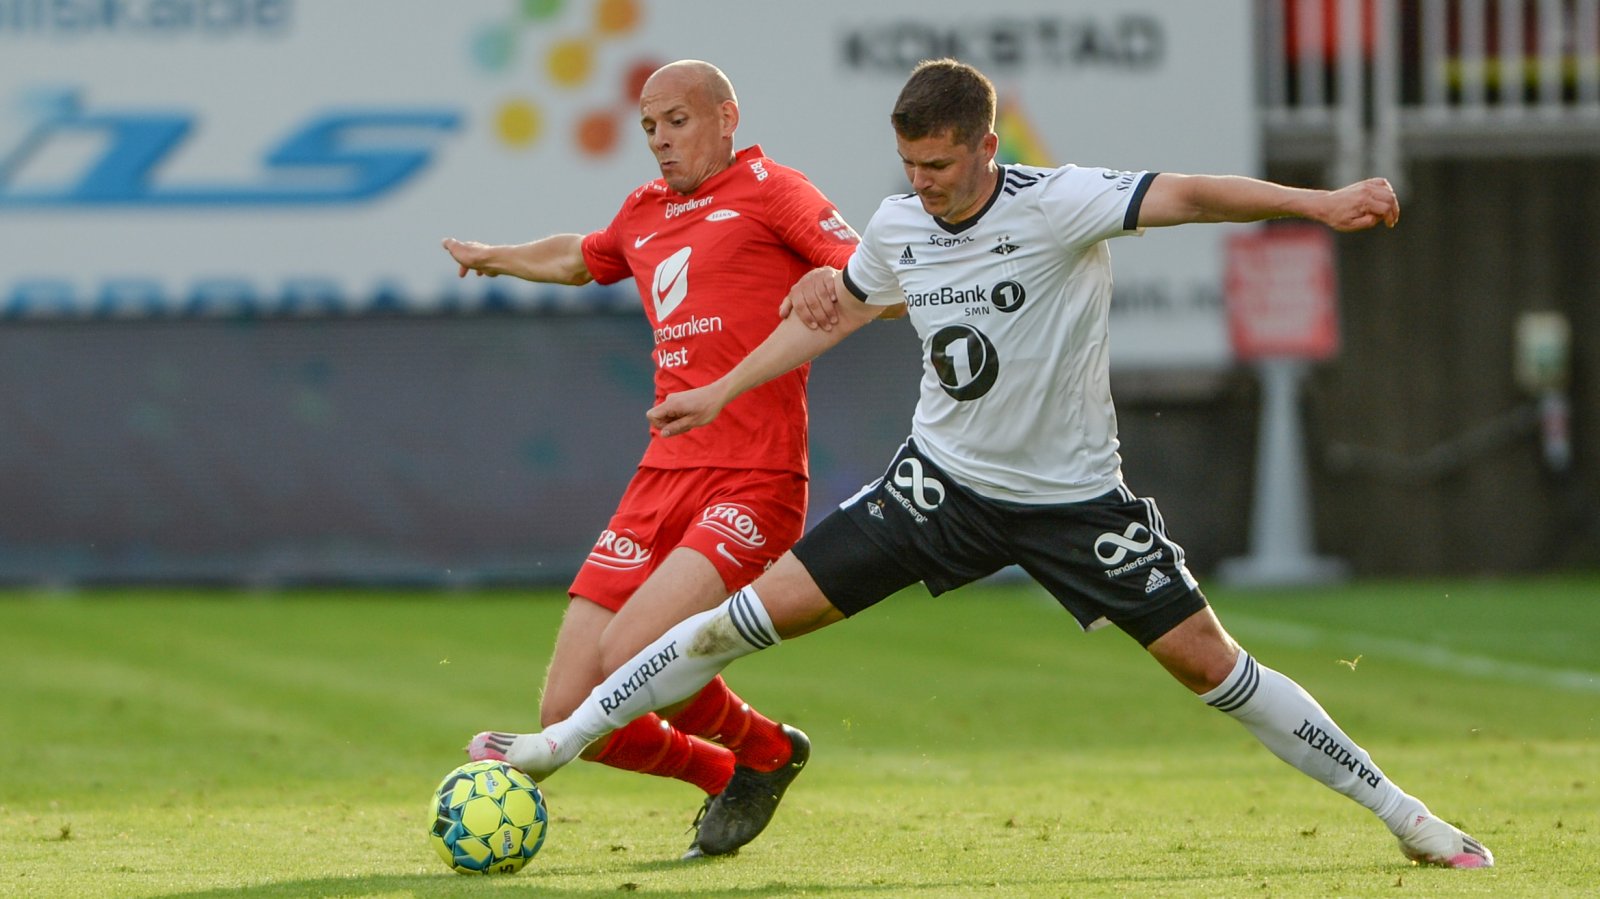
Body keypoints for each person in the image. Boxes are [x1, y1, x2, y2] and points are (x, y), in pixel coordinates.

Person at [470, 58, 1493, 870]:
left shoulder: (1060, 203)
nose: (922, 184)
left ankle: (1408, 817)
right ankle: (551, 747)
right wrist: (723, 389)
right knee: (744, 620)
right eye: (909, 165)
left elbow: (1190, 193)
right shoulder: (898, 223)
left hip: (1072, 502)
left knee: (1211, 667)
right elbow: (835, 309)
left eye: (940, 166)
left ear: (987, 148)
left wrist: (1319, 202)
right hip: (936, 489)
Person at [443, 59, 861, 859]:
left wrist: (826, 275)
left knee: (627, 656)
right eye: (649, 128)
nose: (662, 142)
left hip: (754, 473)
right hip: (662, 473)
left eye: (677, 121)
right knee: (573, 711)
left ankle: (765, 751)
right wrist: (496, 256)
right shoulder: (644, 210)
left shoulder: (774, 188)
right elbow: (580, 258)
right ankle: (740, 765)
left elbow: (869, 268)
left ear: (726, 116)